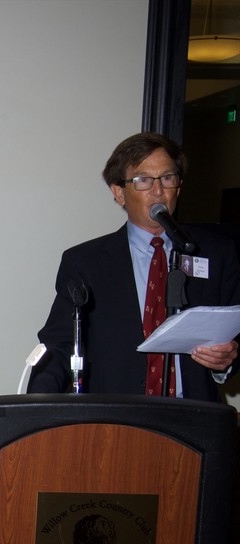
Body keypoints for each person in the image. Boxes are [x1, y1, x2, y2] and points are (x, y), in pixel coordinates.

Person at [30, 132, 240, 398]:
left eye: (167, 178)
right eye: (143, 180)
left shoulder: (216, 253)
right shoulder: (86, 262)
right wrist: (35, 406)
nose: (158, 191)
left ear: (178, 187)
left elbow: (235, 330)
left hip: (195, 413)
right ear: (119, 193)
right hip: (115, 415)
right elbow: (60, 344)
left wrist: (226, 360)